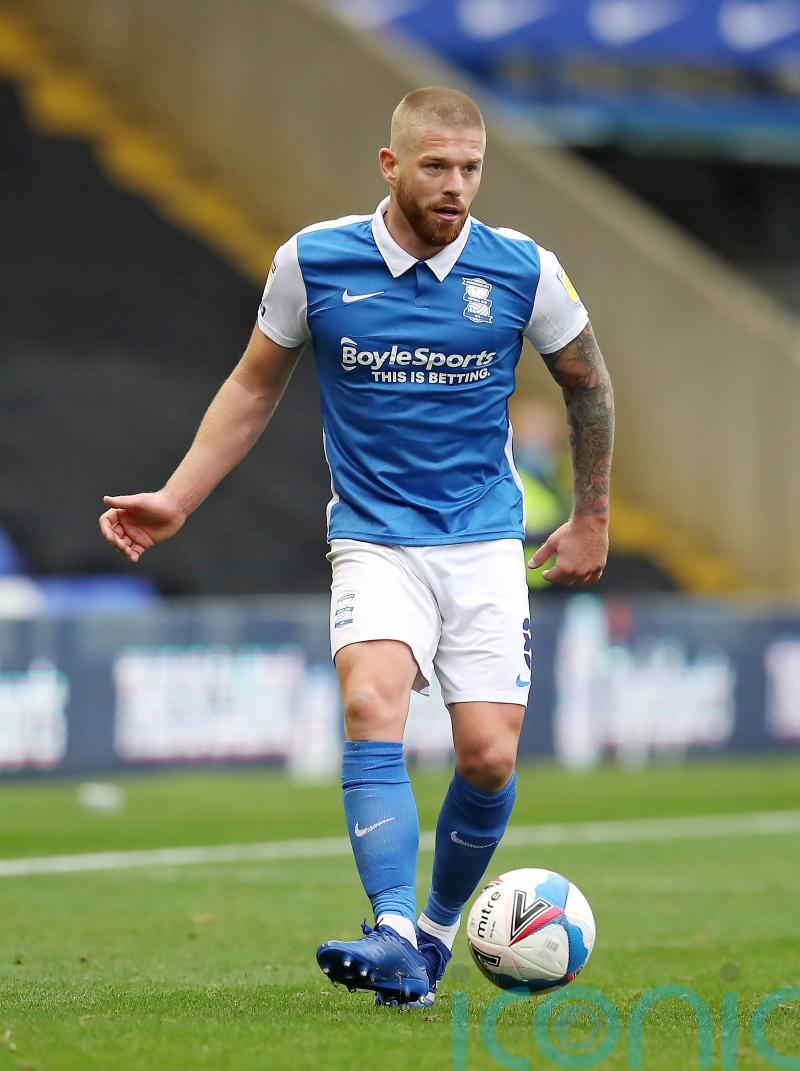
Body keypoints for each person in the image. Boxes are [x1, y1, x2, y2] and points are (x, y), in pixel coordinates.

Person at [99, 86, 614, 1009]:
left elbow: (588, 383)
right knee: (371, 698)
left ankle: (431, 938)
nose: (455, 186)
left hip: (485, 538)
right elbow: (253, 387)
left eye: (470, 169)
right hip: (374, 536)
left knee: (488, 756)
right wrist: (177, 497)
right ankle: (387, 923)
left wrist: (592, 515)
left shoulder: (525, 270)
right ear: (391, 165)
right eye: (435, 167)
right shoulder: (313, 262)